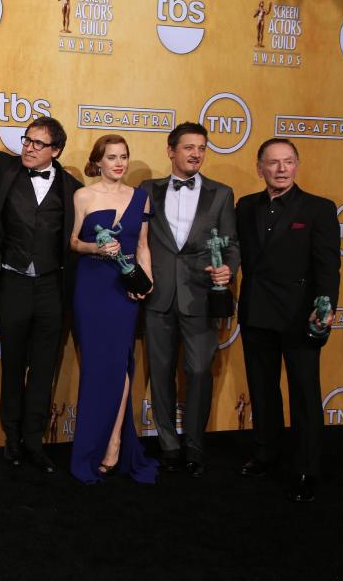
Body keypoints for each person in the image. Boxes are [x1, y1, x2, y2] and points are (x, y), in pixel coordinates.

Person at [235, 137, 340, 502]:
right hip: (256, 310)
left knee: (304, 394)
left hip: (300, 314)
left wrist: (324, 309)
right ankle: (266, 454)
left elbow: (328, 267)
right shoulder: (245, 206)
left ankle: (308, 469)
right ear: (259, 167)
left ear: (297, 165)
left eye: (288, 162)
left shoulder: (318, 209)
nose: (281, 169)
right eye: (273, 162)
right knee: (262, 390)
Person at [0, 116, 81, 474]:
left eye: (38, 144)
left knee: (42, 368)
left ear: (55, 151)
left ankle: (34, 441)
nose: (28, 147)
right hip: (12, 284)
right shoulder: (2, 169)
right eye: (27, 140)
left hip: (52, 287)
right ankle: (11, 439)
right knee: (12, 366)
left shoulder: (72, 188)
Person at [139, 122, 239, 477]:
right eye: (189, 147)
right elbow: (139, 238)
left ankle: (195, 446)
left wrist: (227, 269)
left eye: (201, 148)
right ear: (171, 151)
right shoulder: (147, 189)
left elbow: (231, 244)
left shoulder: (222, 193)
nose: (196, 153)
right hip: (158, 297)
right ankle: (168, 444)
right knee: (161, 373)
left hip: (200, 297)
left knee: (198, 371)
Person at [68, 134, 157, 484]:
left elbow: (144, 245)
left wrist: (146, 280)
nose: (119, 163)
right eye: (111, 157)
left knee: (121, 363)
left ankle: (115, 441)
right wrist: (95, 249)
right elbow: (74, 242)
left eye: (123, 157)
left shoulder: (141, 198)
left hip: (124, 290)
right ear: (98, 162)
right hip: (91, 289)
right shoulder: (83, 196)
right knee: (96, 368)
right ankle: (96, 445)